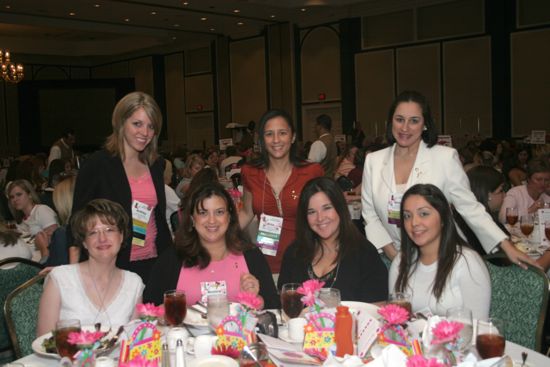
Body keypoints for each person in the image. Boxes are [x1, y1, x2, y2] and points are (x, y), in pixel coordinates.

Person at [361, 90, 535, 268]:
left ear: (425, 124)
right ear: (391, 122)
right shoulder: (374, 161)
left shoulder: (444, 158)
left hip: (441, 257)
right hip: (392, 259)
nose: (405, 128)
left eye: (414, 120)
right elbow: (370, 214)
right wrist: (395, 257)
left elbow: (470, 207)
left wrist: (506, 245)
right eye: (399, 119)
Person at [69, 91, 172, 282]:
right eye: (137, 124)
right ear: (121, 123)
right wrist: (74, 275)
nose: (145, 133)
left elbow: (157, 217)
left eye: (151, 126)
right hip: (111, 265)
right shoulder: (97, 165)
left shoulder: (156, 164)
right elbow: (77, 221)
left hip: (154, 261)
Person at [144, 182, 278, 308]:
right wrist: (163, 313)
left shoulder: (251, 255)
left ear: (229, 216)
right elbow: (150, 309)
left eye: (219, 212)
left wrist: (257, 300)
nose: (212, 220)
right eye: (203, 213)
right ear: (192, 218)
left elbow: (273, 306)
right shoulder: (172, 259)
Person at [37, 199, 143, 335]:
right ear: (84, 242)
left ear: (121, 236)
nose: (102, 238)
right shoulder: (60, 279)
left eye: (109, 230)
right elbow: (45, 344)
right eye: (93, 232)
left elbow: (134, 343)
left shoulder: (133, 283)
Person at [389, 184, 491, 320]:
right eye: (407, 216)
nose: (414, 222)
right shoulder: (401, 261)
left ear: (443, 218)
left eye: (423, 214)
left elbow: (478, 327)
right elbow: (394, 320)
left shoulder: (466, 262)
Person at [239, 109, 324, 273]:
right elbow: (246, 212)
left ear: (292, 137)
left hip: (307, 261)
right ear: (262, 139)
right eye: (269, 134)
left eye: (282, 133)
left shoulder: (312, 172)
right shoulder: (250, 172)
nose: (276, 140)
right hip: (266, 262)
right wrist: (216, 236)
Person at [278, 177, 387, 303]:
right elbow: (285, 304)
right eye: (311, 212)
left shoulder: (365, 253)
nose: (320, 218)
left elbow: (377, 308)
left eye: (327, 208)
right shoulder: (295, 253)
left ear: (340, 208)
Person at [6, 179, 58, 254]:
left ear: (30, 194)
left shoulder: (42, 210)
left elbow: (55, 239)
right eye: (12, 197)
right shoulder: (21, 221)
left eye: (19, 194)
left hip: (46, 259)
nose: (15, 199)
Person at [498, 159, 550, 224]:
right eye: (538, 179)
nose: (543, 183)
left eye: (547, 180)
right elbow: (503, 218)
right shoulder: (515, 193)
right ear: (528, 179)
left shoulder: (546, 198)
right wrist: (529, 210)